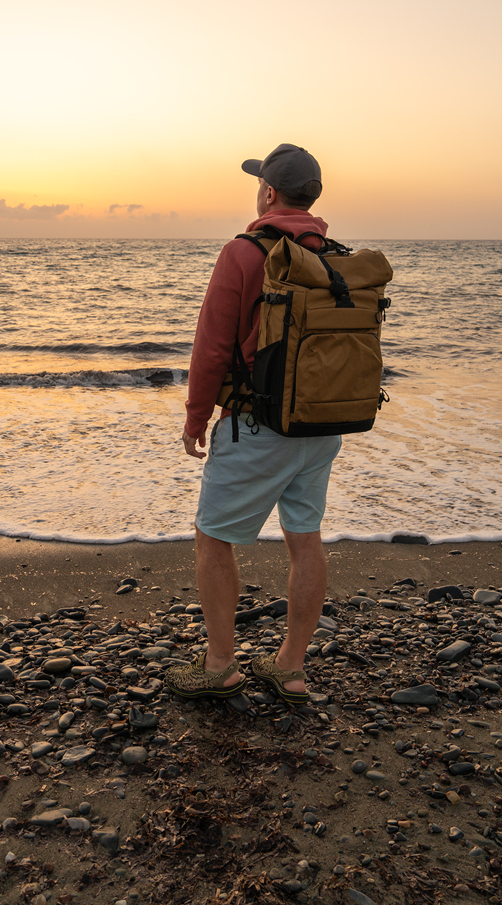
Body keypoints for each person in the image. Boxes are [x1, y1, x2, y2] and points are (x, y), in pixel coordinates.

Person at [165, 143, 342, 707]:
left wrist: (196, 417)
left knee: (214, 539)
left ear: (268, 192)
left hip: (255, 427)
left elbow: (212, 347)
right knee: (304, 538)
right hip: (321, 425)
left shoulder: (243, 253)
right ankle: (290, 666)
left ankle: (221, 664)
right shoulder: (335, 255)